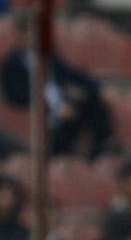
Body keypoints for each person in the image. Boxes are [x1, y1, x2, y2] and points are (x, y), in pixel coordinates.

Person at [0, 12, 113, 160]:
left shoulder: (48, 56)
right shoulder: (12, 62)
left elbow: (72, 73)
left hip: (62, 101)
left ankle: (99, 150)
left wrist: (98, 87)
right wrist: (50, 103)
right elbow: (14, 94)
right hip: (38, 107)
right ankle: (60, 157)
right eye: (26, 32)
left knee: (92, 98)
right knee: (64, 120)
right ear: (19, 34)